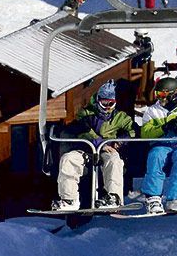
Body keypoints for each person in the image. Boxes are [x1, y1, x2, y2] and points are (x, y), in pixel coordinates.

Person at [52, 81, 134, 211]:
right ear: (98, 101)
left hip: (108, 150)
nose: (107, 107)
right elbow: (84, 130)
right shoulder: (86, 114)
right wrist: (99, 143)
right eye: (104, 103)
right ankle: (69, 199)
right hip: (87, 149)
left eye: (111, 104)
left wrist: (119, 142)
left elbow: (131, 132)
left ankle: (114, 197)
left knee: (114, 161)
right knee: (68, 159)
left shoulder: (120, 117)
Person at [139, 76, 177, 214]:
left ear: (173, 95)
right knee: (156, 155)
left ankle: (175, 198)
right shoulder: (153, 111)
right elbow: (145, 134)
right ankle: (153, 197)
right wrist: (163, 128)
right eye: (157, 94)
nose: (159, 98)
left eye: (162, 94)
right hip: (161, 144)